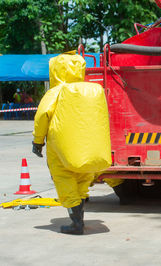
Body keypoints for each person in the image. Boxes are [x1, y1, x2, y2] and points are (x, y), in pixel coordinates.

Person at [32, 52, 111, 234]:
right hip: (91, 149)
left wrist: (38, 142)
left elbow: (42, 116)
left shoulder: (57, 91)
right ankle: (79, 218)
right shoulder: (94, 90)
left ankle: (76, 224)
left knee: (63, 178)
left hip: (61, 149)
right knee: (82, 180)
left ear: (56, 70)